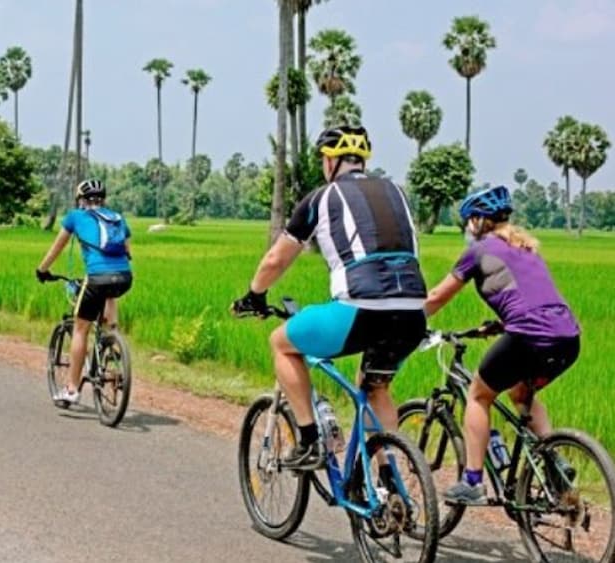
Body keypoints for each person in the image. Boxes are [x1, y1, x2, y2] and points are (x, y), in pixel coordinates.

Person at [231, 125, 427, 470]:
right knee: (376, 387)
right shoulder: (397, 192)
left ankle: (309, 441)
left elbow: (276, 259)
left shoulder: (322, 197)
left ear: (330, 161)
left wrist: (254, 296)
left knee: (281, 343)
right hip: (413, 313)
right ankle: (389, 480)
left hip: (359, 310)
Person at [425, 185, 580, 504]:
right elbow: (533, 298)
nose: (466, 228)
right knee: (521, 392)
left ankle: (473, 482)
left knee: (478, 395)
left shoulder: (479, 250)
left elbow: (437, 297)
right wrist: (501, 325)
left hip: (529, 337)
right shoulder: (526, 248)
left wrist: (404, 321)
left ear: (478, 221)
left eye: (468, 221)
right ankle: (554, 461)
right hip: (567, 338)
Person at [35, 180, 133, 404]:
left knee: (80, 329)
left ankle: (71, 390)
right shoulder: (117, 218)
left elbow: (57, 247)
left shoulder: (75, 217)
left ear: (81, 199)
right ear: (103, 199)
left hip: (97, 277)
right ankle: (112, 338)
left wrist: (42, 270)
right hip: (125, 277)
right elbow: (128, 250)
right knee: (110, 293)